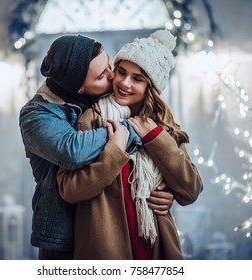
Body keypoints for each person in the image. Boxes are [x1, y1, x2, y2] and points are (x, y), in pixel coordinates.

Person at [19, 34, 175, 260]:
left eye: (109, 64)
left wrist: (164, 190)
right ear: (79, 89)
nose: (113, 76)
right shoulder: (36, 115)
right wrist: (131, 130)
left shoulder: (106, 100)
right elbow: (72, 150)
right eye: (102, 75)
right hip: (66, 236)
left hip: (110, 226)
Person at [57, 30, 203, 259]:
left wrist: (155, 138)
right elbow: (69, 190)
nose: (124, 83)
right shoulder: (91, 119)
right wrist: (114, 151)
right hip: (104, 249)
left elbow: (191, 190)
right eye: (121, 72)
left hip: (155, 247)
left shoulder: (162, 127)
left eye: (138, 78)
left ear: (151, 87)